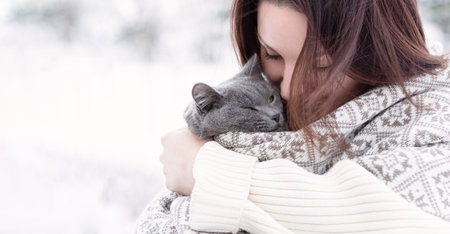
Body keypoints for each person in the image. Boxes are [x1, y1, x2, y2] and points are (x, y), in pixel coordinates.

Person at [137, 0, 450, 233]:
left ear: (378, 52)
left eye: (322, 66)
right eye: (273, 55)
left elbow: (397, 224)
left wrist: (207, 171)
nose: (288, 90)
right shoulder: (252, 118)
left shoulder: (435, 121)